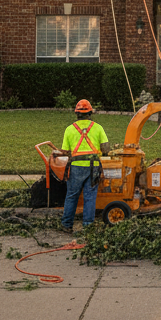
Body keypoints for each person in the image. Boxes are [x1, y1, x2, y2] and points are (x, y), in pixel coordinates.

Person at [59, 98, 109, 233]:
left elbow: (65, 151)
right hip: (93, 167)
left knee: (71, 196)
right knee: (90, 197)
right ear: (90, 113)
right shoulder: (98, 128)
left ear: (77, 114)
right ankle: (88, 227)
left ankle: (67, 225)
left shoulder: (69, 129)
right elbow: (105, 149)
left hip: (76, 167)